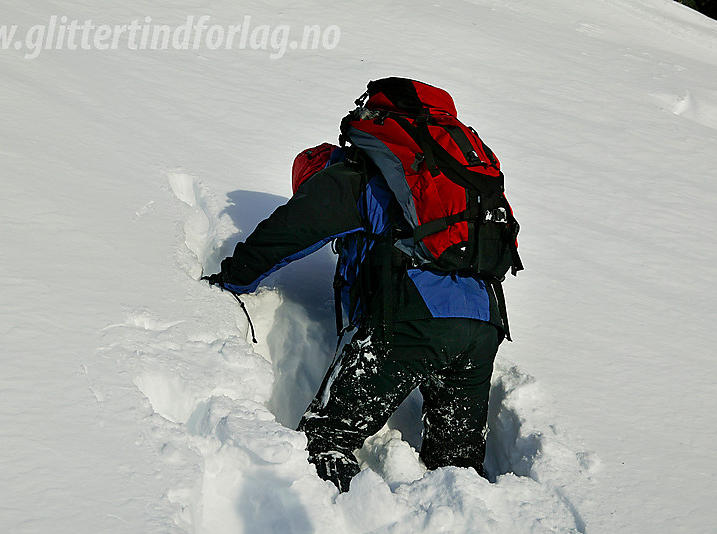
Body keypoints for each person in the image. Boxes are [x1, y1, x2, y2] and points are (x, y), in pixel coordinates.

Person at [204, 80, 510, 492]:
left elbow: (289, 231)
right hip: (483, 321)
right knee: (457, 466)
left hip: (412, 317)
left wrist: (231, 279)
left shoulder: (355, 176)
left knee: (326, 439)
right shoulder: (447, 175)